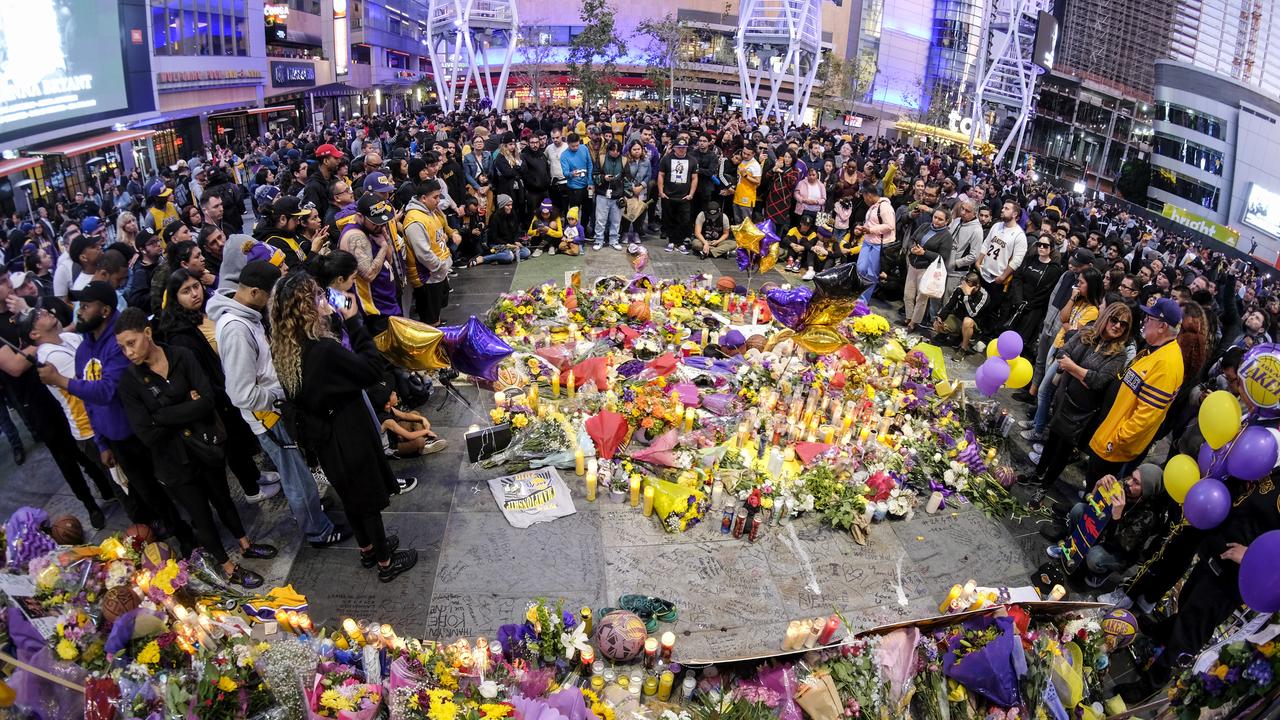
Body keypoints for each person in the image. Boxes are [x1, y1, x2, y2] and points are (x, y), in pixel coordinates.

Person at [268, 272, 417, 582]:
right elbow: (371, 370)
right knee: (367, 499)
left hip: (324, 434)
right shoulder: (322, 349)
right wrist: (353, 322)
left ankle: (367, 549)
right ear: (307, 308)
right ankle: (386, 563)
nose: (326, 300)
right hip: (347, 428)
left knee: (349, 495)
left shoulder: (288, 347)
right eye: (319, 297)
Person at [114, 307, 277, 588]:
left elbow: (207, 400)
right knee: (201, 516)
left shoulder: (181, 355)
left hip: (205, 448)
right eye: (122, 347)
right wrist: (187, 405)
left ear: (148, 333)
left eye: (132, 343)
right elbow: (147, 433)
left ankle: (245, 543)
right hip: (173, 463)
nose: (128, 352)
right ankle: (227, 567)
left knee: (224, 499)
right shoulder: (130, 382)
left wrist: (163, 414)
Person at [207, 250, 349, 549]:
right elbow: (240, 393)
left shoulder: (248, 315)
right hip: (268, 415)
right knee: (296, 476)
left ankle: (314, 516)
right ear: (255, 291)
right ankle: (317, 532)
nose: (275, 302)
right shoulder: (235, 329)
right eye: (271, 295)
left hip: (276, 407)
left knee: (298, 470)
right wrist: (280, 394)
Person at [35, 280, 192, 546]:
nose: (79, 312)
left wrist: (61, 381)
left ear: (105, 311)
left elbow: (108, 390)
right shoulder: (85, 347)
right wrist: (101, 441)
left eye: (86, 306)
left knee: (178, 484)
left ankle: (203, 527)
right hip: (117, 440)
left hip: (145, 431)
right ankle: (185, 537)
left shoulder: (120, 342)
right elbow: (90, 401)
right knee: (150, 494)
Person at [159, 268, 281, 504]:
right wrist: (221, 393)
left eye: (196, 286)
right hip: (215, 394)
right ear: (175, 298)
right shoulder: (179, 333)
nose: (195, 293)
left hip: (229, 382)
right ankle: (251, 489)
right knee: (232, 442)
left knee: (241, 438)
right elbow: (197, 373)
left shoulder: (206, 313)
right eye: (186, 291)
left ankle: (256, 476)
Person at [1022, 302, 1132, 502]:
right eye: (1114, 320)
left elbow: (1098, 382)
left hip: (1084, 410)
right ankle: (1037, 474)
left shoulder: (1119, 354)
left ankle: (1044, 487)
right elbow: (1063, 352)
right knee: (1051, 440)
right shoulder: (1088, 333)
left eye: (1123, 324)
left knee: (1062, 452)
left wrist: (1073, 368)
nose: (1117, 326)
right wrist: (1081, 373)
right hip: (1064, 397)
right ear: (1106, 317)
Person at [1087, 298, 1185, 481]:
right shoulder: (1156, 349)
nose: (1145, 321)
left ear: (1162, 326)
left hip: (1115, 445)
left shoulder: (1167, 364)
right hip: (1110, 432)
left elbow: (1146, 416)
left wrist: (1118, 439)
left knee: (1097, 490)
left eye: (1150, 318)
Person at [1045, 465, 1168, 588]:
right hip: (1103, 529)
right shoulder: (1124, 485)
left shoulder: (1149, 516)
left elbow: (1122, 545)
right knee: (1078, 510)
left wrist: (1117, 516)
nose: (1129, 482)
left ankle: (1102, 572)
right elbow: (1091, 506)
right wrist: (1097, 488)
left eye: (1136, 482)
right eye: (1131, 476)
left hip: (1120, 550)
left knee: (1094, 558)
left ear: (1147, 490)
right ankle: (1071, 546)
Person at [1022, 267, 1103, 445]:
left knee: (1044, 390)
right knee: (1045, 388)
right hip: (1057, 343)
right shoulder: (1079, 301)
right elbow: (1064, 318)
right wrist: (1073, 298)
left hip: (1065, 353)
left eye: (1081, 283)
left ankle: (1039, 430)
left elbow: (1075, 333)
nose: (1078, 285)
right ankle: (1036, 422)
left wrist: (1069, 327)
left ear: (1091, 285)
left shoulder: (1094, 311)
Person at [338, 194, 403, 334]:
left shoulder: (375, 229)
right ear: (360, 216)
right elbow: (368, 274)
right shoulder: (354, 236)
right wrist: (384, 247)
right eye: (375, 222)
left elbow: (389, 261)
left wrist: (386, 244)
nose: (380, 225)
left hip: (386, 301)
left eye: (382, 221)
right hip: (373, 312)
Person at [401, 182, 453, 325]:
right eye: (435, 197)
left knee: (436, 308)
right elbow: (423, 254)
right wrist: (440, 266)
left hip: (438, 271)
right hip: (427, 275)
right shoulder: (414, 220)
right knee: (429, 317)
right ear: (423, 198)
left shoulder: (430, 212)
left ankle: (436, 321)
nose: (438, 201)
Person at [975, 200, 1028, 324]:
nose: (1002, 210)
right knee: (976, 305)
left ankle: (984, 338)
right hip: (983, 272)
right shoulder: (996, 225)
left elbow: (1017, 261)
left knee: (990, 311)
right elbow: (986, 243)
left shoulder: (1019, 235)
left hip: (997, 280)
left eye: (1006, 208)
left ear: (1015, 214)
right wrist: (978, 262)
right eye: (1003, 207)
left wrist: (1003, 276)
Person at [902, 207, 954, 332]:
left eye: (940, 219)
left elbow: (943, 257)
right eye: (935, 217)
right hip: (913, 263)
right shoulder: (925, 226)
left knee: (921, 298)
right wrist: (913, 247)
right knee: (908, 294)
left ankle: (914, 322)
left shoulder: (946, 236)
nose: (936, 221)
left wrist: (924, 252)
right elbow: (912, 239)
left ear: (947, 221)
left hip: (927, 269)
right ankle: (908, 317)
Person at [369, 380, 446, 458]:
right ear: (387, 404)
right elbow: (409, 436)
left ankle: (425, 442)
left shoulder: (388, 408)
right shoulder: (387, 421)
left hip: (395, 436)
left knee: (414, 414)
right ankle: (422, 445)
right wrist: (426, 431)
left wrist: (423, 419)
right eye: (392, 394)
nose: (395, 393)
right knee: (419, 441)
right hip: (391, 448)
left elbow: (404, 415)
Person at [932, 272, 989, 357]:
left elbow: (972, 313)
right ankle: (950, 335)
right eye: (964, 285)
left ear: (976, 286)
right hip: (959, 318)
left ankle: (963, 348)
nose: (964, 288)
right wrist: (940, 317)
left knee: (967, 321)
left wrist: (967, 296)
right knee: (937, 325)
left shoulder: (984, 295)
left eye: (968, 287)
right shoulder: (960, 289)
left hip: (974, 324)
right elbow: (949, 305)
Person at [856, 179, 894, 304]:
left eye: (864, 197)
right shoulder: (872, 207)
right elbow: (871, 223)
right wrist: (863, 228)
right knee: (861, 268)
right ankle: (858, 293)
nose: (864, 200)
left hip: (878, 244)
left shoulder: (885, 207)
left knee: (872, 274)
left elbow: (890, 225)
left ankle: (863, 300)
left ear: (869, 196)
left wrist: (871, 229)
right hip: (868, 241)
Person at [658, 139, 697, 254]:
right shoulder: (666, 159)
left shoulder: (692, 160)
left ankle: (679, 242)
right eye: (679, 147)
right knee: (669, 219)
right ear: (674, 147)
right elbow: (661, 175)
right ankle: (671, 241)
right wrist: (661, 191)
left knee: (684, 220)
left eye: (684, 147)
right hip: (668, 195)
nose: (681, 149)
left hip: (684, 196)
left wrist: (691, 194)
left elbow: (694, 178)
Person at [592, 141, 625, 251]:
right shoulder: (601, 158)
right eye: (613, 150)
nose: (615, 152)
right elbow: (594, 174)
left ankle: (614, 240)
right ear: (608, 149)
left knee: (616, 221)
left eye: (618, 150)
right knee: (600, 220)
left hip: (617, 195)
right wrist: (603, 178)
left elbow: (627, 178)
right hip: (602, 194)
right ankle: (599, 240)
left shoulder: (624, 160)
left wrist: (626, 194)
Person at [732, 145, 761, 224]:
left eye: (748, 154)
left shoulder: (755, 165)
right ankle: (738, 237)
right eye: (744, 153)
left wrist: (745, 175)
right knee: (737, 221)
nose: (745, 156)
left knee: (746, 223)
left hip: (747, 198)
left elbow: (758, 181)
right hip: (737, 195)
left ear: (753, 154)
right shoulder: (741, 160)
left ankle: (746, 237)